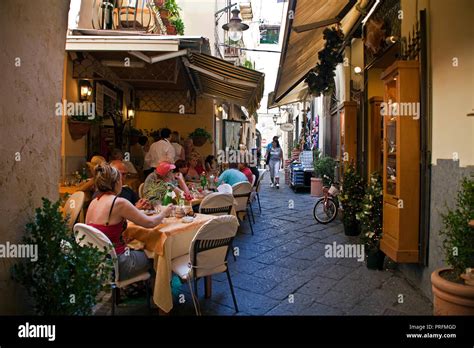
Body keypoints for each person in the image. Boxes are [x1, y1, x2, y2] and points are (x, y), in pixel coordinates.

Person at [86, 163, 173, 281]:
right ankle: (157, 297)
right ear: (116, 182)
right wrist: (164, 212)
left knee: (139, 246)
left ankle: (136, 289)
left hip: (96, 263)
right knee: (157, 254)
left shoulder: (93, 202)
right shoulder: (118, 202)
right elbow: (150, 223)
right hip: (116, 264)